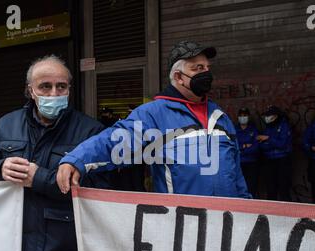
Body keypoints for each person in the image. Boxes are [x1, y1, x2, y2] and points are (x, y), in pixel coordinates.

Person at [0, 55, 109, 251]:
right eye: (45, 86)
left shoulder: (90, 131)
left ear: (70, 89)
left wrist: (40, 178)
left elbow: (98, 189)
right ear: (30, 91)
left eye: (61, 86)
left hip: (68, 248)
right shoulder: (7, 124)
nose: (53, 93)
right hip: (16, 243)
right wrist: (0, 168)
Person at [56, 40, 251, 199]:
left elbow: (236, 175)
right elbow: (115, 141)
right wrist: (77, 160)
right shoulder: (154, 115)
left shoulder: (220, 118)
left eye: (207, 68)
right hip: (181, 227)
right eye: (198, 68)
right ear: (179, 77)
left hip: (226, 225)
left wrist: (247, 210)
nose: (206, 73)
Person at [257, 105, 293, 201]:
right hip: (269, 160)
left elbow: (282, 144)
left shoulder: (284, 126)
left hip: (283, 161)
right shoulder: (268, 128)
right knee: (271, 188)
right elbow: (262, 145)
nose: (266, 117)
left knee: (284, 188)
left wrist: (268, 139)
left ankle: (287, 213)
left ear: (275, 116)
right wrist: (271, 142)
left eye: (269, 115)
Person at [235, 107, 260, 198]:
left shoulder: (253, 130)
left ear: (248, 117)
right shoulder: (234, 130)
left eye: (245, 115)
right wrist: (245, 146)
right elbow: (235, 147)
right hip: (239, 163)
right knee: (240, 187)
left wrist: (242, 149)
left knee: (252, 187)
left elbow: (256, 148)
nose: (243, 117)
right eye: (241, 116)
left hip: (252, 163)